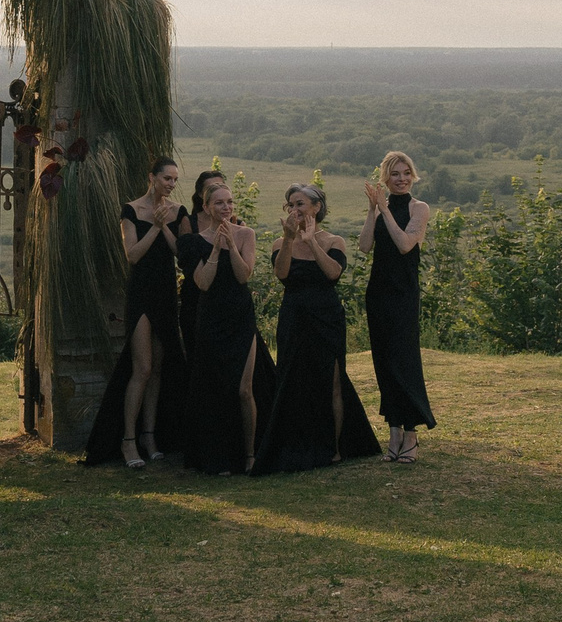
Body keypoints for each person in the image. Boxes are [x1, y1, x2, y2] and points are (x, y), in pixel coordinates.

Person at [251, 183, 380, 474]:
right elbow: (282, 274)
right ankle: (296, 444)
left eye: (300, 204)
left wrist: (311, 242)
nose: (294, 210)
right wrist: (289, 240)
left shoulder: (334, 241)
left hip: (326, 316)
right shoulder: (279, 242)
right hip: (294, 315)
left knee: (332, 379)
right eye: (291, 205)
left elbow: (333, 274)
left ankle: (334, 447)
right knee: (292, 378)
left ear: (316, 207)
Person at [84, 157, 188, 468]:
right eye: (166, 178)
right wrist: (155, 226)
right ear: (152, 177)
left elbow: (181, 253)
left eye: (174, 180)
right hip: (141, 293)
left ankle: (149, 436)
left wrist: (165, 225)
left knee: (157, 370)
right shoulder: (130, 210)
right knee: (142, 368)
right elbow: (133, 255)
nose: (171, 184)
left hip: (166, 293)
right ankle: (127, 440)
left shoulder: (178, 211)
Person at [181, 180, 276, 474]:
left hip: (239, 316)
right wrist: (214, 250)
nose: (226, 207)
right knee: (215, 388)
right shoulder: (192, 242)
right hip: (211, 318)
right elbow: (203, 283)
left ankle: (249, 454)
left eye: (230, 202)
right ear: (206, 207)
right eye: (219, 203)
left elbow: (243, 275)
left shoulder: (246, 234)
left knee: (244, 389)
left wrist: (231, 245)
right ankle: (218, 456)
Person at [362, 152, 436, 463]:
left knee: (404, 361)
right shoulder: (380, 208)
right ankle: (393, 430)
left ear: (412, 175)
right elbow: (365, 246)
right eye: (395, 174)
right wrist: (372, 210)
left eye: (406, 173)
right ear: (386, 178)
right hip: (378, 293)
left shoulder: (420, 208)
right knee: (384, 361)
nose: (401, 179)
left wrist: (385, 210)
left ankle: (411, 432)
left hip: (403, 294)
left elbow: (405, 245)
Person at [176, 168, 226, 360]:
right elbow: (186, 260)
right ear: (201, 195)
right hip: (196, 298)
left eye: (221, 186)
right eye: (211, 188)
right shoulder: (189, 222)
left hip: (225, 296)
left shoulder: (236, 224)